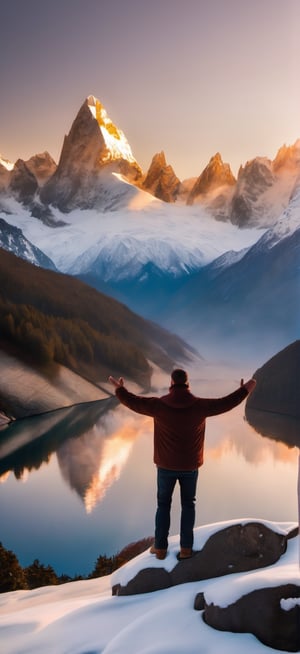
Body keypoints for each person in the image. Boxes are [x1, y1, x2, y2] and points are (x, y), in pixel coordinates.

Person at [109, 369, 256, 560]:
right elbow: (226, 403)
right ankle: (186, 548)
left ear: (171, 383)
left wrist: (120, 390)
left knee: (163, 505)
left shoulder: (158, 405)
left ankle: (160, 548)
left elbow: (133, 402)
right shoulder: (200, 406)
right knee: (188, 505)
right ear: (188, 383)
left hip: (165, 467)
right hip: (190, 467)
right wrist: (245, 390)